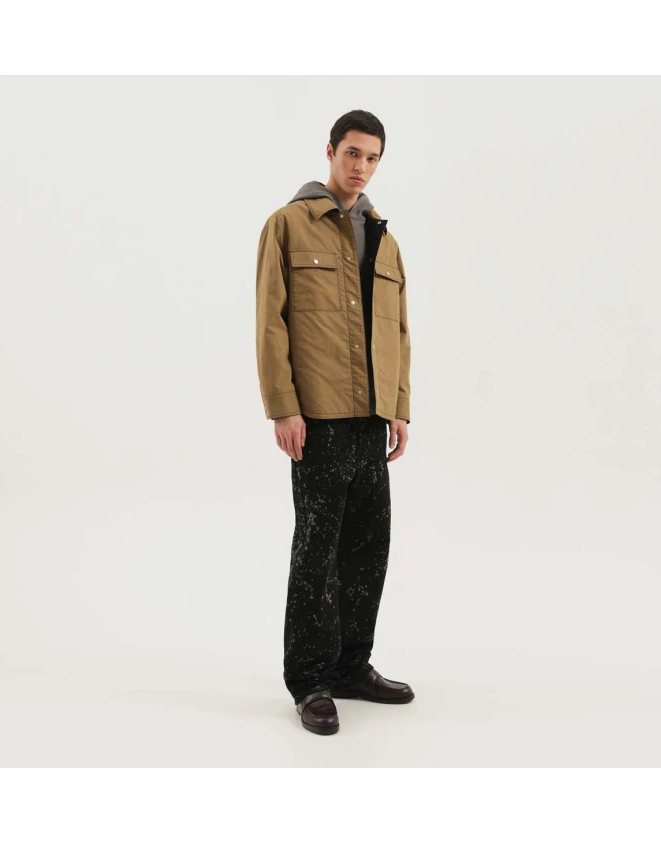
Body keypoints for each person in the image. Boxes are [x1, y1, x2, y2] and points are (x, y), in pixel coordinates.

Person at [255, 109, 414, 736]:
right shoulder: (287, 225)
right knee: (317, 550)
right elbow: (270, 322)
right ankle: (310, 680)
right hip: (316, 416)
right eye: (352, 153)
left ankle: (351, 666)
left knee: (368, 545)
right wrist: (283, 406)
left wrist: (399, 405)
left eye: (372, 158)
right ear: (330, 151)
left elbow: (398, 329)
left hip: (371, 418)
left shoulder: (384, 238)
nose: (361, 167)